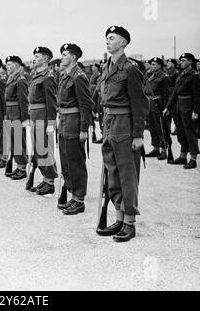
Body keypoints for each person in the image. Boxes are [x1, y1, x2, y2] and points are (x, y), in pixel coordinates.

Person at [96, 26, 149, 242]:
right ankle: (119, 218)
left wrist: (138, 134)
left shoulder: (130, 69)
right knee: (113, 172)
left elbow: (140, 103)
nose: (108, 41)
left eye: (112, 38)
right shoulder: (107, 66)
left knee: (128, 174)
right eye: (106, 38)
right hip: (109, 123)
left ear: (124, 43)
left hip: (124, 125)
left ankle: (129, 223)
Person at [56, 43, 94, 215]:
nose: (62, 57)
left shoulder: (79, 77)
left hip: (74, 122)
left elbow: (86, 105)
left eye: (64, 55)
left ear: (72, 57)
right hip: (64, 121)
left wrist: (84, 129)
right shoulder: (65, 76)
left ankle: (79, 199)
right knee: (65, 159)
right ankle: (72, 195)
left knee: (75, 161)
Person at [27, 46, 58, 195]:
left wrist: (51, 124)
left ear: (46, 59)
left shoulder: (48, 78)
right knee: (38, 150)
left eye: (38, 56)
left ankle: (50, 181)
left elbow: (51, 102)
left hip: (43, 116)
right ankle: (45, 178)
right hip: (35, 115)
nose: (35, 58)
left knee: (45, 149)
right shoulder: (36, 76)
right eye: (34, 55)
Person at [163, 53, 200, 169]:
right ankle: (183, 156)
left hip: (188, 106)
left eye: (184, 60)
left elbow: (197, 95)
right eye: (181, 60)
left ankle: (193, 159)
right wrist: (168, 107)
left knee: (190, 133)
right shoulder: (181, 74)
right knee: (181, 132)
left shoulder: (193, 75)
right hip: (179, 106)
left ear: (190, 61)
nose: (182, 62)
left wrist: (196, 111)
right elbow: (175, 92)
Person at [4, 55, 29, 180]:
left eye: (10, 64)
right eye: (7, 65)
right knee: (13, 140)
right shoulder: (11, 79)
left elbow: (23, 101)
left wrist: (25, 118)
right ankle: (18, 165)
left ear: (17, 65)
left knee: (19, 140)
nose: (7, 67)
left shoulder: (20, 80)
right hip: (10, 111)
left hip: (17, 113)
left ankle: (22, 167)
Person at [144, 57, 170, 160]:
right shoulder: (150, 76)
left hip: (158, 105)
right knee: (152, 127)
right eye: (151, 64)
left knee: (161, 128)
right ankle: (155, 148)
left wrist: (166, 108)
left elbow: (166, 94)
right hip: (150, 104)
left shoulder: (164, 77)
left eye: (154, 64)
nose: (151, 66)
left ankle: (164, 150)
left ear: (160, 65)